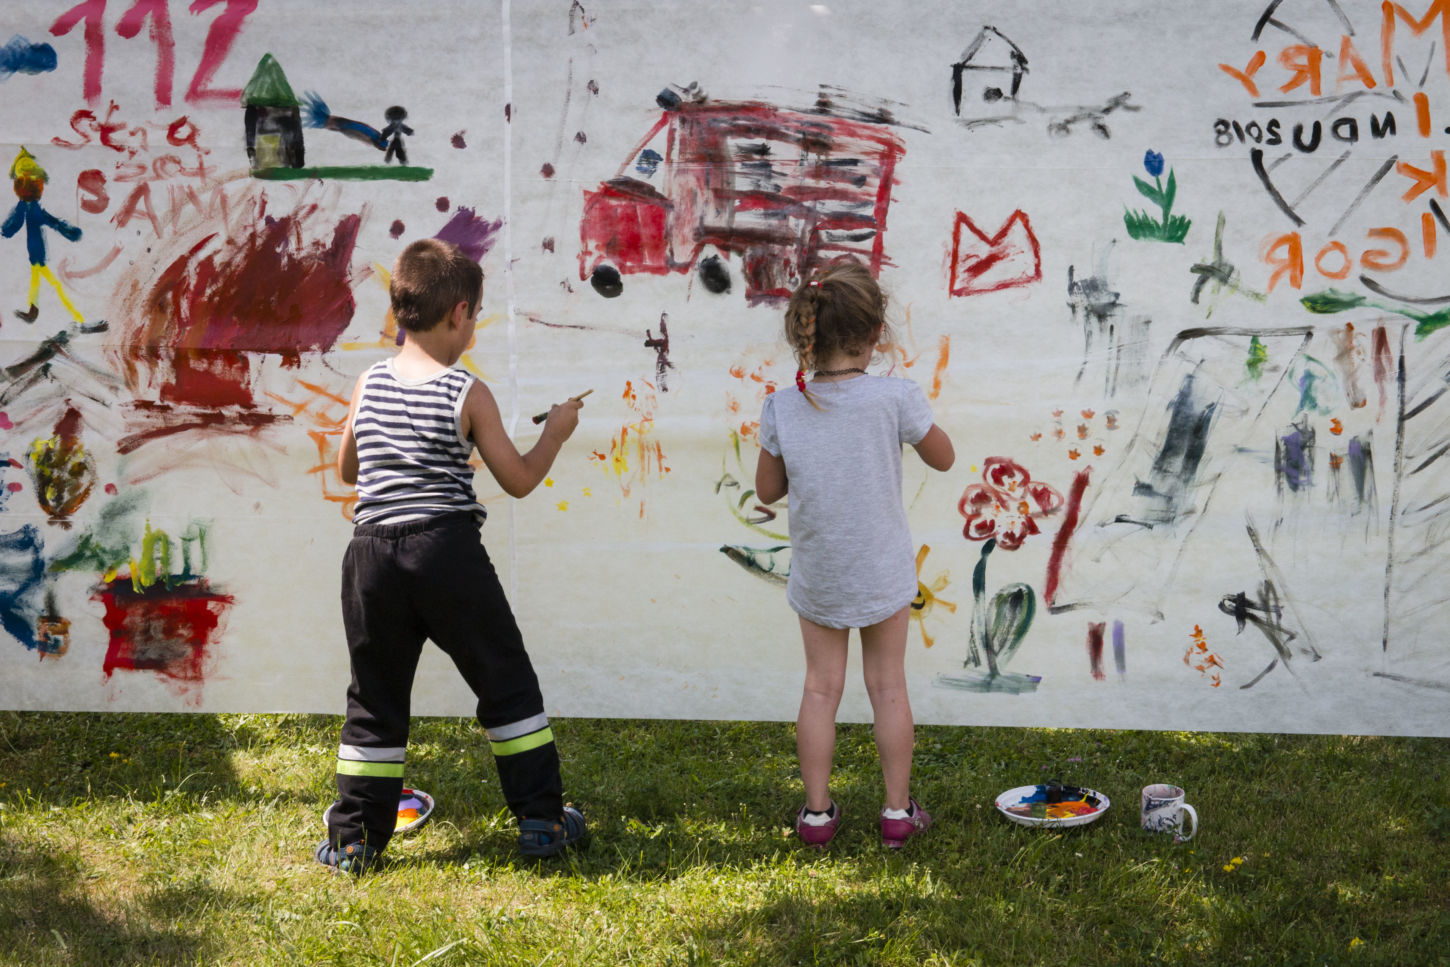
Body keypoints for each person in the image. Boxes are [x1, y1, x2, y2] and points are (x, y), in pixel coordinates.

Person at [318, 238, 587, 873]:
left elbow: (348, 469)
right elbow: (518, 480)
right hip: (445, 551)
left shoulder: (369, 382)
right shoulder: (467, 392)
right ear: (460, 313)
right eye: (476, 316)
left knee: (374, 698)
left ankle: (355, 841)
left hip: (370, 556)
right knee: (504, 680)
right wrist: (555, 433)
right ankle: (542, 823)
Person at [754, 259, 955, 849]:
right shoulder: (896, 397)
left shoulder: (783, 406)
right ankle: (897, 812)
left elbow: (766, 490)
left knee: (821, 689)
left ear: (806, 335)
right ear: (874, 335)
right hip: (882, 571)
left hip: (821, 573)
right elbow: (944, 457)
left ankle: (817, 816)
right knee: (888, 686)